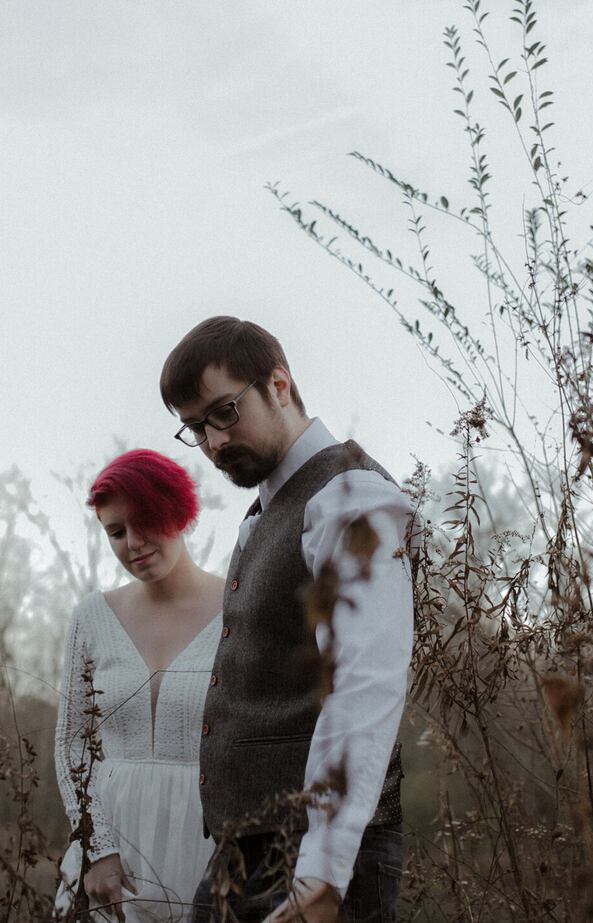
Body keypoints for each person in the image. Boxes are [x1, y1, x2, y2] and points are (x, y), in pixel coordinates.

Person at [161, 317, 412, 923]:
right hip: (248, 851)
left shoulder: (350, 496)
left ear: (279, 383)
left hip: (317, 857)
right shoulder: (264, 512)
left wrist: (324, 871)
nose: (214, 442)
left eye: (224, 412)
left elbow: (364, 684)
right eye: (195, 428)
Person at [54, 449, 225, 922]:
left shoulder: (238, 609)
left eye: (145, 520)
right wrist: (96, 846)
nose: (133, 543)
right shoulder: (92, 616)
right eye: (115, 532)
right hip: (111, 845)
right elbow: (71, 745)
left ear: (180, 511)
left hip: (207, 841)